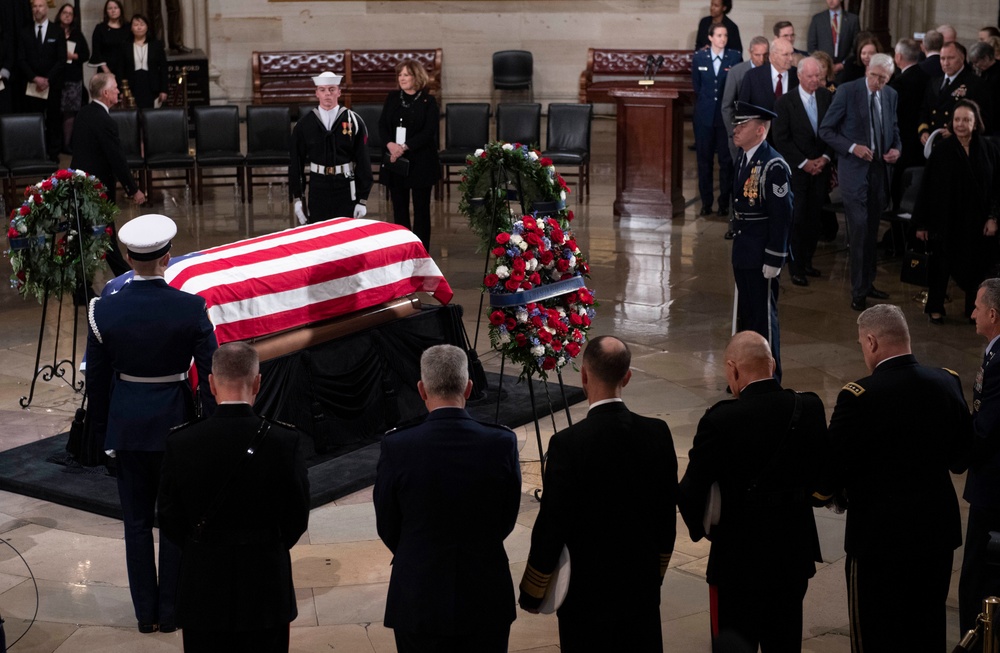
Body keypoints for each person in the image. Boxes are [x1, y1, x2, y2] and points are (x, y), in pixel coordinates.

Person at [85, 213, 218, 634]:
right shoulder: (190, 306)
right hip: (175, 425)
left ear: (125, 257)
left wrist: (100, 438)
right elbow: (211, 375)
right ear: (168, 257)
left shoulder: (103, 310)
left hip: (127, 426)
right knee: (175, 521)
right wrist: (212, 429)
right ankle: (172, 611)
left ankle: (146, 614)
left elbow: (98, 383)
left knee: (137, 524)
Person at [824, 304, 972, 653]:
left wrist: (831, 493)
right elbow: (962, 460)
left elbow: (831, 469)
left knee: (875, 637)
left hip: (878, 542)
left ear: (872, 342)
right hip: (935, 536)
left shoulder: (858, 397)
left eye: (862, 344)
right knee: (927, 632)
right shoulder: (947, 381)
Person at [518, 336, 677, 652]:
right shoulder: (657, 434)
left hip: (586, 599)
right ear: (627, 377)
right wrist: (653, 575)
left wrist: (534, 591)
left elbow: (552, 525)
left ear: (584, 376)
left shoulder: (568, 444)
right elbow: (665, 520)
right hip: (640, 593)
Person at [678, 331, 826, 652]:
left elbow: (691, 493)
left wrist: (706, 530)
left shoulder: (721, 420)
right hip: (792, 555)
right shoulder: (809, 407)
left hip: (737, 562)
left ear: (733, 369)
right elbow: (821, 479)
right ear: (772, 364)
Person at [158, 342, 310, 653]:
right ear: (258, 383)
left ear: (211, 383)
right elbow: (297, 517)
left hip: (203, 584)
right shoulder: (286, 441)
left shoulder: (182, 441)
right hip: (266, 584)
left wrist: (202, 545)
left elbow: (169, 517)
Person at [374, 344, 520, 653]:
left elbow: (388, 523)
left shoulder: (398, 446)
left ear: (421, 390)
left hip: (418, 592)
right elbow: (506, 517)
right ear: (468, 387)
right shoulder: (501, 442)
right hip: (485, 590)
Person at [819, 53, 900, 311]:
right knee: (859, 228)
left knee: (873, 228)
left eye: (883, 78)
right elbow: (826, 130)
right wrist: (853, 147)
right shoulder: (847, 91)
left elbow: (894, 128)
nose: (877, 82)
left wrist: (897, 148)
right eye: (874, 75)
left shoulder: (890, 95)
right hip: (854, 171)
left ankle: (869, 282)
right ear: (867, 69)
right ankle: (858, 291)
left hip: (879, 171)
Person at [913, 100, 1000, 323]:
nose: (961, 124)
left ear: (975, 123)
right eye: (957, 120)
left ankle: (974, 310)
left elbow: (997, 187)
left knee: (978, 267)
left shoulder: (989, 148)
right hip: (946, 221)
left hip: (978, 220)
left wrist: (993, 217)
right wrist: (922, 224)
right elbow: (927, 189)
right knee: (940, 266)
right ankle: (935, 307)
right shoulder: (941, 150)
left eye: (966, 120)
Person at [729, 101, 793, 381]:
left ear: (760, 131)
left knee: (764, 320)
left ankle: (769, 379)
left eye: (742, 126)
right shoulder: (744, 157)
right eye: (736, 125)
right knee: (746, 318)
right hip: (744, 250)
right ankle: (747, 375)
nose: (736, 130)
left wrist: (774, 257)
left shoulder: (774, 165)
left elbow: (782, 214)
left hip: (761, 254)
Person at [70, 72, 146, 280]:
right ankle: (127, 279)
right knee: (105, 236)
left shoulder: (83, 113)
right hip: (97, 189)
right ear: (105, 93)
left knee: (91, 237)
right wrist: (133, 189)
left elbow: (72, 147)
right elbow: (117, 160)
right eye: (115, 88)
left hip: (80, 185)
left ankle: (81, 287)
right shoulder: (105, 121)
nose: (118, 91)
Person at [960, 278, 1000, 640]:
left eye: (976, 307)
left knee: (976, 573)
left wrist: (958, 450)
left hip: (994, 484)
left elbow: (988, 426)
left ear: (992, 313)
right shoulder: (994, 350)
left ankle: (975, 641)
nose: (971, 312)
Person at [772, 56, 833, 288]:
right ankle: (795, 267)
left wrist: (825, 158)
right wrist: (804, 162)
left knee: (814, 217)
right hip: (797, 171)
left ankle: (807, 262)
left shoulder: (828, 97)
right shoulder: (785, 102)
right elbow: (781, 139)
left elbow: (833, 130)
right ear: (799, 76)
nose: (815, 80)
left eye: (818, 75)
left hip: (821, 169)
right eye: (810, 76)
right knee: (797, 218)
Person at [290, 71, 373, 224]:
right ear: (316, 93)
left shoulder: (354, 121)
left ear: (339, 92)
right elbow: (296, 163)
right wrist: (297, 197)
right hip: (318, 186)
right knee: (319, 235)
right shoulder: (304, 125)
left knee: (346, 236)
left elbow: (363, 160)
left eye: (332, 89)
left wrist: (362, 198)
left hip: (345, 186)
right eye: (322, 90)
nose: (327, 94)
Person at [378, 59, 440, 251]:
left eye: (406, 74)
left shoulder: (428, 101)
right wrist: (390, 145)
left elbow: (428, 132)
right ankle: (403, 248)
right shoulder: (393, 98)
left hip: (420, 161)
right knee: (399, 208)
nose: (402, 78)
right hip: (396, 161)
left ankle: (421, 250)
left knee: (421, 210)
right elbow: (382, 125)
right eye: (400, 75)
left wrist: (403, 147)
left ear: (417, 76)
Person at [692, 23, 741, 217]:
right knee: (704, 161)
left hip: (725, 117)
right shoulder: (699, 57)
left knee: (726, 161)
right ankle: (706, 202)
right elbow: (697, 86)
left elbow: (737, 85)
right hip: (704, 116)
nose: (723, 38)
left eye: (725, 35)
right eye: (719, 35)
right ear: (710, 37)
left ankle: (723, 203)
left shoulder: (735, 57)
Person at [18, 0, 66, 160]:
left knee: (54, 120)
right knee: (34, 119)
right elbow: (21, 59)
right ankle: (35, 153)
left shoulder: (57, 31)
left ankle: (54, 153)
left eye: (40, 6)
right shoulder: (24, 32)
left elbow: (61, 59)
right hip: (32, 85)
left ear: (47, 8)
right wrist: (34, 78)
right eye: (34, 6)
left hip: (52, 84)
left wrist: (47, 79)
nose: (37, 9)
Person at [889, 38, 930, 218]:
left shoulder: (900, 83)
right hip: (922, 144)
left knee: (900, 193)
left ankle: (898, 238)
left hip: (903, 145)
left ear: (898, 57)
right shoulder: (928, 78)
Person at [919, 41, 986, 148]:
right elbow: (925, 109)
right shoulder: (935, 81)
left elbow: (982, 117)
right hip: (934, 142)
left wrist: (957, 131)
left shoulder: (975, 84)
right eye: (942, 58)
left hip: (960, 144)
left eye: (951, 58)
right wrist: (924, 130)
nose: (946, 63)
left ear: (962, 58)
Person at [721, 35, 769, 162]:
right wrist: (734, 132)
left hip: (767, 136)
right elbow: (727, 106)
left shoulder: (772, 70)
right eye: (757, 55)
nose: (761, 59)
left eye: (765, 55)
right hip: (742, 133)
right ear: (750, 52)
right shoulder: (737, 72)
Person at [738, 38, 798, 123]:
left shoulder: (798, 75)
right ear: (772, 56)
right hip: (762, 133)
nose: (791, 58)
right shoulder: (752, 76)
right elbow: (743, 109)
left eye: (792, 54)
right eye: (786, 55)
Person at [56, 3, 88, 153]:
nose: (67, 15)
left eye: (70, 13)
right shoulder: (53, 31)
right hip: (55, 78)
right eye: (65, 12)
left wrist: (73, 56)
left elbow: (86, 54)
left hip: (73, 78)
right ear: (59, 14)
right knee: (56, 113)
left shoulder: (77, 34)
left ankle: (67, 144)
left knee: (70, 112)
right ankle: (56, 144)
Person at [119, 13, 167, 109]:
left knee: (150, 114)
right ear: (131, 28)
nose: (139, 28)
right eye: (136, 25)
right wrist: (121, 91)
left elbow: (163, 69)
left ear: (147, 27)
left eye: (142, 24)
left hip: (151, 85)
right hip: (132, 85)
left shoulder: (156, 45)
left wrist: (164, 90)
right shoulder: (125, 46)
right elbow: (120, 69)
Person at [807, 0, 860, 74]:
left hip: (845, 71)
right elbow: (811, 46)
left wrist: (843, 64)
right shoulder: (817, 19)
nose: (831, 1)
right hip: (822, 70)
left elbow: (856, 46)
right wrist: (821, 63)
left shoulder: (852, 20)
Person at [90, 0, 128, 78]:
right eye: (110, 8)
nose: (113, 10)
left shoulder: (127, 27)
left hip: (126, 69)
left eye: (115, 8)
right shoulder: (100, 28)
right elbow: (97, 52)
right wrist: (107, 71)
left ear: (120, 9)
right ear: (106, 11)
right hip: (106, 71)